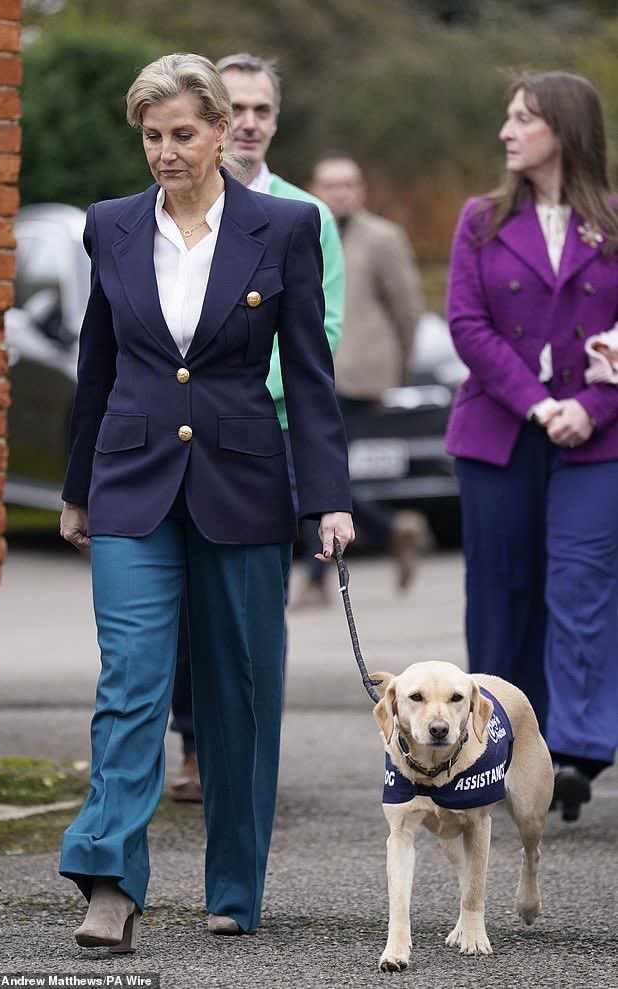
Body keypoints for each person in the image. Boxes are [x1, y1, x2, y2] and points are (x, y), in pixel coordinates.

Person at [58, 52, 354, 948]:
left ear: (225, 130)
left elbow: (309, 376)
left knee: (241, 691)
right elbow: (96, 364)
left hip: (245, 479)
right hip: (130, 480)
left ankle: (233, 883)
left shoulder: (287, 227)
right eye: (151, 136)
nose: (165, 152)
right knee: (132, 679)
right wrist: (76, 489)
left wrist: (328, 497)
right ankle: (109, 877)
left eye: (183, 133)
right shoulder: (109, 225)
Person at [168, 52, 345, 802]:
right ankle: (193, 743)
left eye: (262, 110)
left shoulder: (307, 217)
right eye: (235, 107)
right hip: (178, 440)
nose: (247, 122)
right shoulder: (162, 208)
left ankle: (241, 741)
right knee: (174, 598)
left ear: (275, 120)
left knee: (248, 603)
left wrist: (238, 392)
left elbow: (320, 330)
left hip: (264, 439)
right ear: (212, 117)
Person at [445, 71, 618, 822]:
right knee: (502, 591)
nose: (507, 131)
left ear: (565, 129)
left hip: (598, 434)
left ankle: (576, 748)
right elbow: (467, 325)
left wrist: (591, 404)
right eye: (507, 116)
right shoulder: (480, 219)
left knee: (581, 582)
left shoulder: (612, 222)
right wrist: (541, 403)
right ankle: (497, 752)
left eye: (524, 118)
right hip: (500, 430)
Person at [296, 153, 426, 604]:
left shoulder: (383, 238)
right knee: (317, 474)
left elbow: (407, 310)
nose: (340, 193)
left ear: (362, 190)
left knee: (314, 471)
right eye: (330, 184)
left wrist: (397, 372)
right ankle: (391, 529)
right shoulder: (300, 229)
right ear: (314, 188)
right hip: (310, 373)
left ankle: (316, 582)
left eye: (348, 184)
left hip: (359, 376)